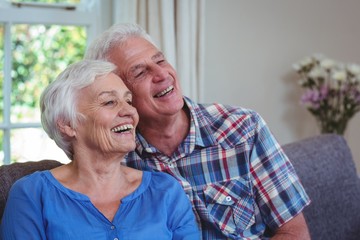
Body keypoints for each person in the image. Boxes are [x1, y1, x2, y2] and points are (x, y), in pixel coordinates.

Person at [85, 23, 312, 239]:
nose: (162, 74)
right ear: (118, 94)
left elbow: (295, 232)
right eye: (140, 72)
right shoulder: (117, 160)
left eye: (160, 60)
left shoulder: (243, 128)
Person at [0, 60, 200, 240]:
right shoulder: (32, 195)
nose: (130, 111)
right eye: (109, 102)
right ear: (68, 124)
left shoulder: (166, 192)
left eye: (128, 101)